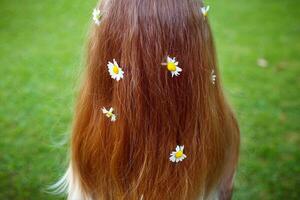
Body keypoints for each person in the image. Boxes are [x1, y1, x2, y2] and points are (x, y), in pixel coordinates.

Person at [55, 0, 240, 199]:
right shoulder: (221, 133)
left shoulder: (92, 138)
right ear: (200, 53)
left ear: (101, 50)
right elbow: (224, 193)